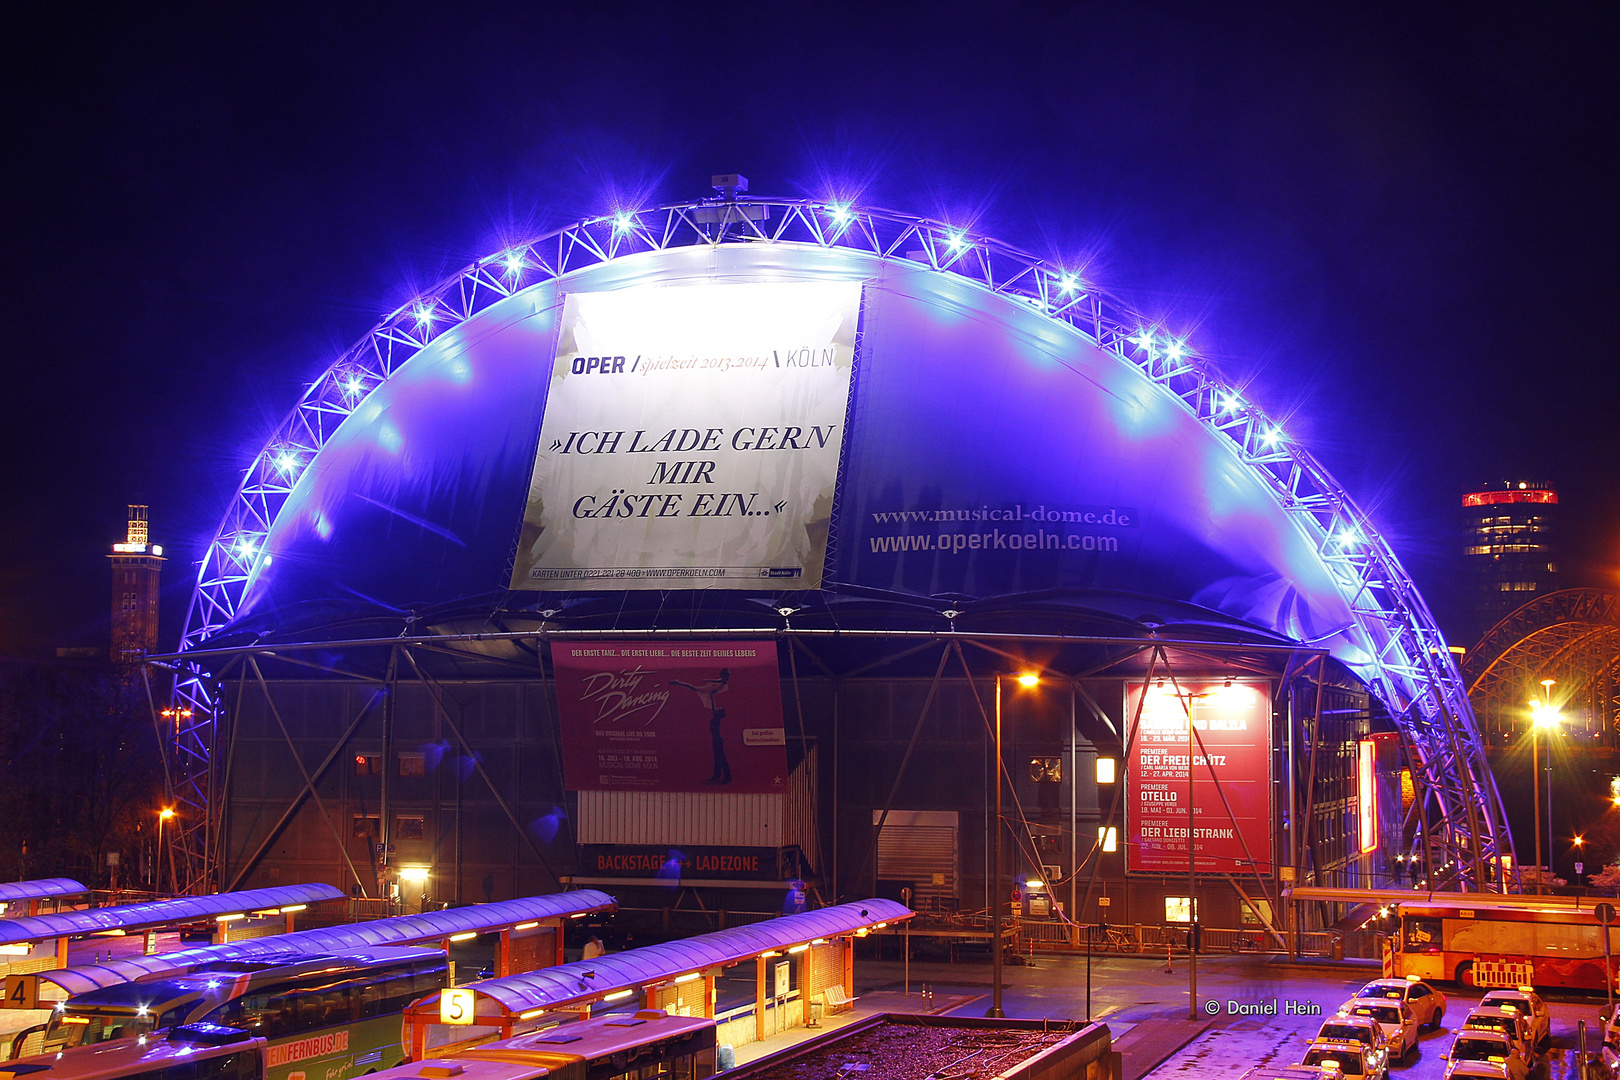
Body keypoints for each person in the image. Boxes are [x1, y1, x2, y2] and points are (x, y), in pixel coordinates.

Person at [670, 669, 733, 784]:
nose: (719, 707)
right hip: (716, 740)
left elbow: (721, 680)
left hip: (718, 740)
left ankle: (725, 776)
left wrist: (712, 695)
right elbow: (720, 680)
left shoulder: (715, 717)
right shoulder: (714, 717)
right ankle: (718, 774)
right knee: (718, 757)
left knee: (720, 757)